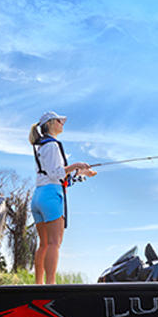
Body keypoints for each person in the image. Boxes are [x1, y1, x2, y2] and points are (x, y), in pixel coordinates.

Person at [29, 111, 96, 284]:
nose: (62, 123)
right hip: (51, 196)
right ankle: (50, 285)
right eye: (60, 121)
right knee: (54, 243)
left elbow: (56, 174)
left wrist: (83, 173)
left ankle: (38, 285)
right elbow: (56, 173)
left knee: (44, 244)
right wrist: (76, 165)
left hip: (38, 195)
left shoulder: (42, 146)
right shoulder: (52, 145)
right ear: (51, 123)